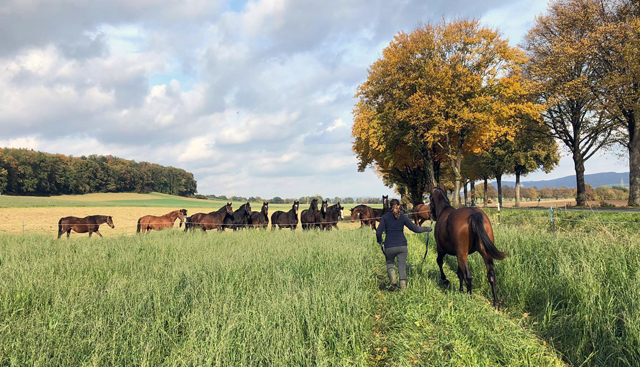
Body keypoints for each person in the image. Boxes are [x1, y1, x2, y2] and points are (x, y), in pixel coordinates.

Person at [376, 199, 431, 290]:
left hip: (389, 246)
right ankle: (403, 289)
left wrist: (380, 241)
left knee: (390, 264)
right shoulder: (403, 217)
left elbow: (378, 232)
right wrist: (427, 229)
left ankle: (393, 282)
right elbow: (415, 229)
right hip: (402, 246)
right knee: (402, 266)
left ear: (390, 206)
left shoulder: (385, 217)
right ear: (399, 206)